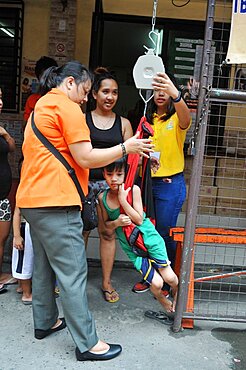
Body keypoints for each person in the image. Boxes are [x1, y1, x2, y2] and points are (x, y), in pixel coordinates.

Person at [15, 61, 153, 362]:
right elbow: (86, 157)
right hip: (56, 201)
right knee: (73, 272)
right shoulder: (66, 108)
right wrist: (125, 147)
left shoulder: (42, 106)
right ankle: (89, 344)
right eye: (86, 90)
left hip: (33, 202)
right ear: (69, 83)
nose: (86, 98)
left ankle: (45, 322)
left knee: (44, 266)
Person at [132, 72, 191, 295]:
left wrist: (176, 94)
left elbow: (186, 119)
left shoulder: (176, 119)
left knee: (164, 233)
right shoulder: (146, 119)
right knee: (148, 233)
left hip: (169, 185)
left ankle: (170, 281)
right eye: (156, 89)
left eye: (164, 90)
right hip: (146, 183)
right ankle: (151, 277)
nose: (159, 94)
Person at [98, 158, 178, 313]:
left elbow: (139, 219)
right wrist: (116, 223)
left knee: (169, 278)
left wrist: (123, 201)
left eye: (119, 174)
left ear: (126, 174)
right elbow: (104, 229)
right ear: (104, 174)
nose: (114, 178)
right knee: (156, 284)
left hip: (150, 239)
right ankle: (162, 299)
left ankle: (177, 290)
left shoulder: (133, 190)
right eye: (109, 174)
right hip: (133, 247)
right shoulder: (102, 198)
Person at [84, 67, 133, 303]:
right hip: (83, 184)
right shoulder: (82, 120)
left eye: (114, 92)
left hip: (109, 187)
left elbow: (130, 160)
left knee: (108, 233)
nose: (110, 97)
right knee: (79, 233)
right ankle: (73, 280)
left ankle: (106, 282)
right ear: (94, 94)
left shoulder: (123, 124)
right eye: (105, 91)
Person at [0, 87, 16, 290]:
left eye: (2, 98)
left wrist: (4, 133)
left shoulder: (0, 127)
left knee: (2, 238)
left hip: (3, 195)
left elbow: (12, 148)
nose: (1, 102)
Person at [23, 56, 58, 124]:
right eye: (44, 76)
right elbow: (25, 125)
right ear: (38, 77)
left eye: (49, 76)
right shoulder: (32, 100)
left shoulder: (63, 100)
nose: (46, 79)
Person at [12, 206, 33, 305]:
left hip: (32, 228)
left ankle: (22, 287)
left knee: (28, 261)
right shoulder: (24, 192)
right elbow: (17, 213)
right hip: (25, 229)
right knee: (24, 263)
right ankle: (27, 294)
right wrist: (17, 236)